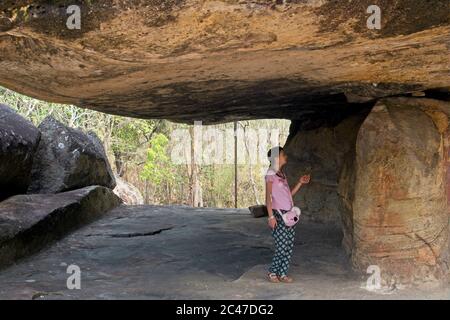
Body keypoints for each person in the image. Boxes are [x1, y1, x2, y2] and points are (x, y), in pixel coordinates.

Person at [265, 146, 310, 283]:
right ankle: (273, 272)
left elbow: (288, 195)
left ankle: (282, 273)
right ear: (276, 158)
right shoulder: (270, 174)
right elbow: (268, 198)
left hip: (289, 214)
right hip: (278, 214)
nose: (286, 156)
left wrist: (300, 183)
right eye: (283, 154)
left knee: (289, 245)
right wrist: (271, 216)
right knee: (282, 245)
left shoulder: (281, 175)